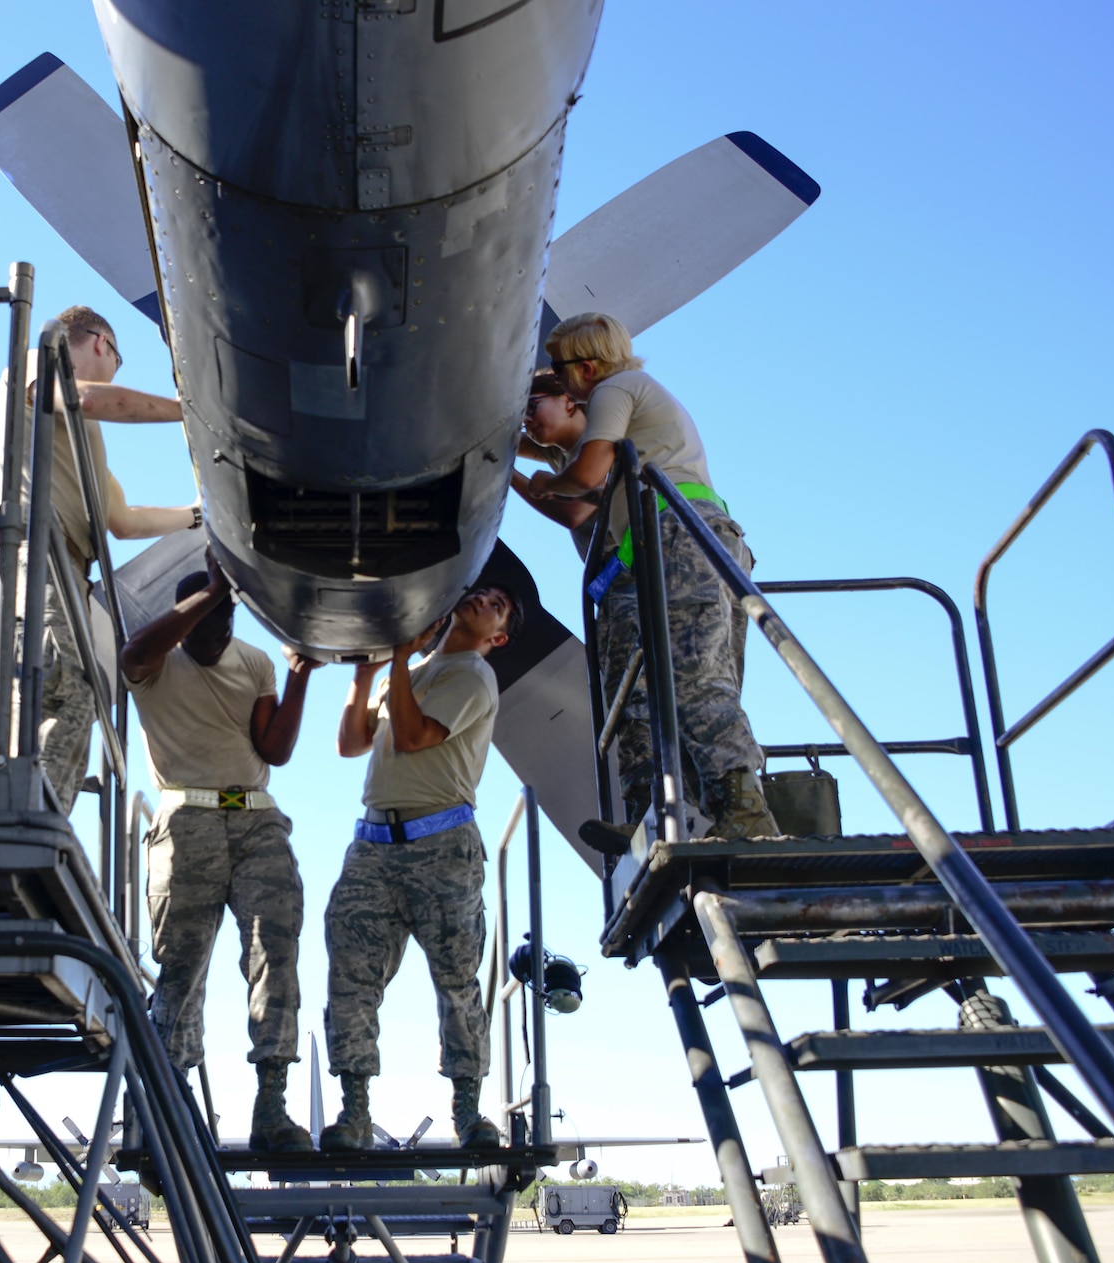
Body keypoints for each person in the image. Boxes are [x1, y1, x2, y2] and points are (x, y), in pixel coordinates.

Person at [512, 314, 779, 843]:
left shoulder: (618, 388)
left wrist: (544, 482)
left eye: (560, 373)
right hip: (651, 552)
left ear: (585, 367)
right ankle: (646, 818)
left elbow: (584, 479)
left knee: (693, 675)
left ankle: (743, 807)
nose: (562, 384)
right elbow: (560, 472)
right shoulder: (610, 400)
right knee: (631, 693)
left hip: (679, 536)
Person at [120, 549, 317, 1151]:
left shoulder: (254, 661)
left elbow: (274, 750)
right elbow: (132, 656)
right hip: (188, 818)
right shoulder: (156, 662)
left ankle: (272, 1108)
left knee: (274, 955)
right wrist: (210, 591)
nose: (218, 637)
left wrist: (299, 675)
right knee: (182, 966)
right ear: (187, 616)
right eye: (206, 624)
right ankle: (170, 1107)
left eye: (227, 622)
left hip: (256, 818)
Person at [320, 586, 520, 1153]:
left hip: (442, 844)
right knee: (351, 978)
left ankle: (468, 1112)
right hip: (374, 844)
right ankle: (354, 1113)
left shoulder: (473, 676)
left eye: (496, 604)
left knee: (457, 983)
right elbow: (351, 742)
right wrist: (368, 673)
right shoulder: (408, 674)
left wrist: (401, 657)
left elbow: (411, 738)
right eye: (481, 592)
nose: (483, 598)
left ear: (497, 637)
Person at [6, 305, 200, 813]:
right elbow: (88, 399)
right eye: (118, 358)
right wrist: (191, 410)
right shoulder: (40, 360)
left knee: (73, 691)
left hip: (68, 566)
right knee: (63, 691)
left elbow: (123, 521)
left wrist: (198, 516)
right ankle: (28, 819)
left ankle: (40, 817)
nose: (115, 368)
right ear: (100, 344)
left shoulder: (82, 440)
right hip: (39, 556)